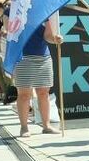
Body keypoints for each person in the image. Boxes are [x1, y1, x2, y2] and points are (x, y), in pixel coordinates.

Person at [11, 7, 65, 137]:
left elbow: (47, 36)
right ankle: (24, 127)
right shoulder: (14, 12)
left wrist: (55, 39)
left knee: (43, 92)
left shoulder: (42, 13)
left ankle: (46, 126)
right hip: (23, 57)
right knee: (24, 94)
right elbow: (10, 33)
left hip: (43, 57)